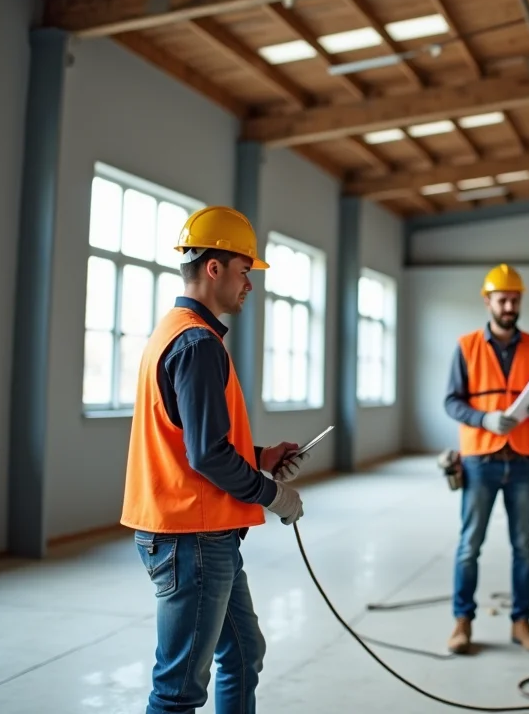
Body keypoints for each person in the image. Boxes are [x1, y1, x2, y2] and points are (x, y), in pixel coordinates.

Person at [122, 205, 312, 714]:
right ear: (214, 268)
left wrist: (260, 457)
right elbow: (206, 453)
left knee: (244, 653)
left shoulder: (174, 331)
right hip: (193, 539)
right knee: (179, 690)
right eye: (245, 271)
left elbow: (194, 440)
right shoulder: (197, 344)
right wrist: (275, 494)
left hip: (198, 533)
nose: (249, 285)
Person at [443, 263, 529, 655]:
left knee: (523, 546)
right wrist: (484, 418)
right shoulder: (466, 346)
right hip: (480, 460)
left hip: (523, 460)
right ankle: (463, 623)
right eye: (503, 299)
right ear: (488, 301)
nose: (509, 305)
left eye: (515, 299)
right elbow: (451, 402)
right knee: (469, 546)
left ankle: (521, 623)